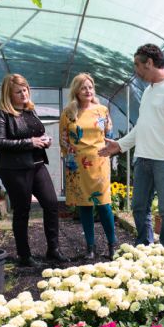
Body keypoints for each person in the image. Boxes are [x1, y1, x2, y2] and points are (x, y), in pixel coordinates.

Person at [99, 44, 164, 246]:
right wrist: (119, 145)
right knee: (139, 207)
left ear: (149, 63)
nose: (136, 70)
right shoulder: (149, 91)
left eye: (137, 65)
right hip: (143, 158)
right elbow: (141, 126)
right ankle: (144, 247)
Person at [0, 73, 67, 266]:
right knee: (22, 210)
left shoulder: (30, 111)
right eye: (18, 91)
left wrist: (44, 140)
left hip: (38, 165)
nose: (24, 94)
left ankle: (53, 249)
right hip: (15, 169)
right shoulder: (0, 114)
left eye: (25, 89)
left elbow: (36, 134)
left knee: (51, 204)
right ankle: (25, 256)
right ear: (9, 94)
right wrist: (30, 142)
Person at [59, 73, 117, 260]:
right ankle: (90, 247)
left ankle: (111, 244)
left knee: (104, 205)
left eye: (90, 87)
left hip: (99, 162)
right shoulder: (69, 112)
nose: (88, 91)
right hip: (78, 165)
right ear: (76, 90)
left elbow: (109, 132)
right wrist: (70, 157)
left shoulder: (102, 110)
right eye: (83, 87)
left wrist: (108, 148)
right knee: (84, 206)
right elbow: (63, 138)